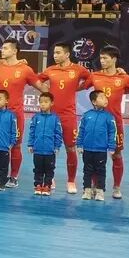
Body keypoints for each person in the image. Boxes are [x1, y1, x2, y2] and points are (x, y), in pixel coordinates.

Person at [0, 39, 41, 188]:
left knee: (16, 145)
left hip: (15, 114)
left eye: (6, 48)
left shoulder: (26, 69)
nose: (2, 50)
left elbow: (41, 87)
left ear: (15, 51)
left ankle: (13, 177)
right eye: (2, 48)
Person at [81, 46, 129, 198]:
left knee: (117, 154)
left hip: (115, 123)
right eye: (101, 58)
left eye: (105, 58)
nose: (102, 61)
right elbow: (79, 87)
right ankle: (94, 186)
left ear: (114, 59)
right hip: (97, 123)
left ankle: (117, 187)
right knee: (94, 155)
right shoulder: (95, 76)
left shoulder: (124, 78)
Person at [38, 42, 92, 194]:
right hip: (51, 115)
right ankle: (50, 178)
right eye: (54, 53)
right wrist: (45, 89)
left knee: (70, 148)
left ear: (67, 54)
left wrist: (79, 88)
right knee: (49, 148)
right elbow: (36, 80)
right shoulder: (50, 70)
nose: (55, 55)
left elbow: (91, 79)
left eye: (58, 53)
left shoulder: (78, 69)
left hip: (68, 116)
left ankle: (71, 181)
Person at [77, 90, 117, 201]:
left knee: (101, 171)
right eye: (102, 97)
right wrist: (79, 144)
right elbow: (81, 130)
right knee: (87, 170)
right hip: (87, 149)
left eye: (106, 97)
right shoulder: (86, 115)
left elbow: (112, 132)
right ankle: (87, 190)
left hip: (101, 150)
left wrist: (111, 146)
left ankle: (100, 191)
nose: (105, 99)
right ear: (94, 102)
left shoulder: (109, 117)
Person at [27, 92, 63, 196]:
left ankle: (47, 186)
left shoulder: (55, 118)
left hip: (50, 151)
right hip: (37, 150)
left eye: (46, 102)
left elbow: (58, 133)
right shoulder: (36, 117)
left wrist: (57, 146)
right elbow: (32, 132)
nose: (43, 104)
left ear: (52, 103)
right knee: (37, 169)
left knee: (49, 170)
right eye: (41, 102)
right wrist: (30, 144)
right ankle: (38, 185)